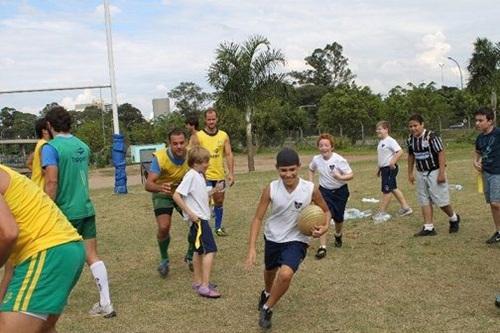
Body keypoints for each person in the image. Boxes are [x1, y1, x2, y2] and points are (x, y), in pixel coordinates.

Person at [41, 106, 116, 318]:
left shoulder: (50, 148)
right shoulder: (83, 146)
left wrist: (45, 209)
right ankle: (106, 303)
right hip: (86, 209)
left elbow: (52, 181)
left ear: (49, 125)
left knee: (53, 257)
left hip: (64, 212)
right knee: (92, 256)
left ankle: (48, 306)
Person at [245, 148, 330, 329]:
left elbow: (326, 211)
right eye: (283, 170)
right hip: (273, 237)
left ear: (299, 167)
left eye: (292, 169)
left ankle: (268, 308)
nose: (288, 174)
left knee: (285, 274)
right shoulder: (271, 189)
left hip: (297, 239)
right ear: (277, 169)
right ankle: (267, 292)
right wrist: (252, 247)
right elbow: (258, 218)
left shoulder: (310, 189)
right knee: (270, 271)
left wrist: (324, 227)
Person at [0, 164, 84, 333]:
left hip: (47, 251)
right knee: (43, 329)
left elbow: (9, 234)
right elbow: (12, 254)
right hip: (64, 248)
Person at [173, 146, 222, 298]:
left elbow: (199, 196)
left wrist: (214, 191)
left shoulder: (199, 176)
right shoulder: (191, 176)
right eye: (205, 161)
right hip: (199, 220)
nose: (208, 164)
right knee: (211, 250)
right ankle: (205, 286)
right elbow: (176, 195)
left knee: (198, 250)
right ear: (196, 163)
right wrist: (191, 214)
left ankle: (198, 281)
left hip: (201, 219)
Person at [144, 128, 195, 276]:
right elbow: (148, 184)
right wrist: (161, 187)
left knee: (196, 222)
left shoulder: (191, 155)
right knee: (164, 227)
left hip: (183, 193)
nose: (179, 146)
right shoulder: (160, 158)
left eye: (181, 143)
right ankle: (164, 259)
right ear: (169, 144)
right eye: (175, 143)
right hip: (163, 193)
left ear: (186, 142)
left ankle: (191, 256)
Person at [406, 114, 460, 236]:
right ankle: (429, 227)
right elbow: (411, 156)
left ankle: (454, 218)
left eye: (415, 125)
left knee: (441, 201)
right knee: (423, 199)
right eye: (410, 126)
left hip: (434, 171)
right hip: (420, 172)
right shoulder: (410, 139)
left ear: (422, 124)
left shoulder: (431, 137)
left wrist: (441, 173)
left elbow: (441, 153)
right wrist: (410, 172)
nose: (413, 128)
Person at [308, 133, 353, 259]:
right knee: (323, 217)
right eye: (321, 145)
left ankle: (338, 235)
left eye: (326, 145)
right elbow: (311, 169)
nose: (323, 148)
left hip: (340, 192)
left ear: (331, 147)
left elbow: (350, 175)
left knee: (338, 218)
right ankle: (323, 247)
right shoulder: (316, 159)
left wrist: (340, 177)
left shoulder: (339, 160)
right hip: (324, 192)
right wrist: (312, 184)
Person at [192, 107, 235, 236]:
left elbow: (228, 154)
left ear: (217, 119)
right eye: (209, 119)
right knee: (204, 200)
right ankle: (203, 228)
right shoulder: (198, 136)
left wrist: (231, 173)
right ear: (205, 120)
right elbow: (193, 154)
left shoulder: (223, 135)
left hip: (219, 175)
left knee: (219, 201)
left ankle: (218, 228)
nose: (211, 122)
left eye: (213, 119)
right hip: (203, 175)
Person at [373, 121, 412, 221]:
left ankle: (382, 212)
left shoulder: (390, 140)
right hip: (384, 169)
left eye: (380, 129)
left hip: (389, 169)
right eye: (377, 129)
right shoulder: (381, 142)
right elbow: (382, 157)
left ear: (386, 129)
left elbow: (400, 151)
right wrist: (379, 169)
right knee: (393, 188)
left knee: (387, 190)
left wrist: (392, 162)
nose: (377, 131)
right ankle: (406, 208)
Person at [473, 107, 500, 244]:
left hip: (498, 172)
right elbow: (478, 152)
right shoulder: (480, 138)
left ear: (490, 121)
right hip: (486, 173)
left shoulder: (498, 133)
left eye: (480, 120)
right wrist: (475, 161)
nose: (477, 123)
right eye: (476, 120)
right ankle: (498, 231)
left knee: (496, 203)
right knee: (492, 204)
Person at [26, 118, 52, 188]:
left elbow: (28, 163)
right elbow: (45, 170)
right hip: (42, 188)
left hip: (36, 185)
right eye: (51, 127)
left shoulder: (39, 144)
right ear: (44, 131)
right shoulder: (45, 146)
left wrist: (36, 172)